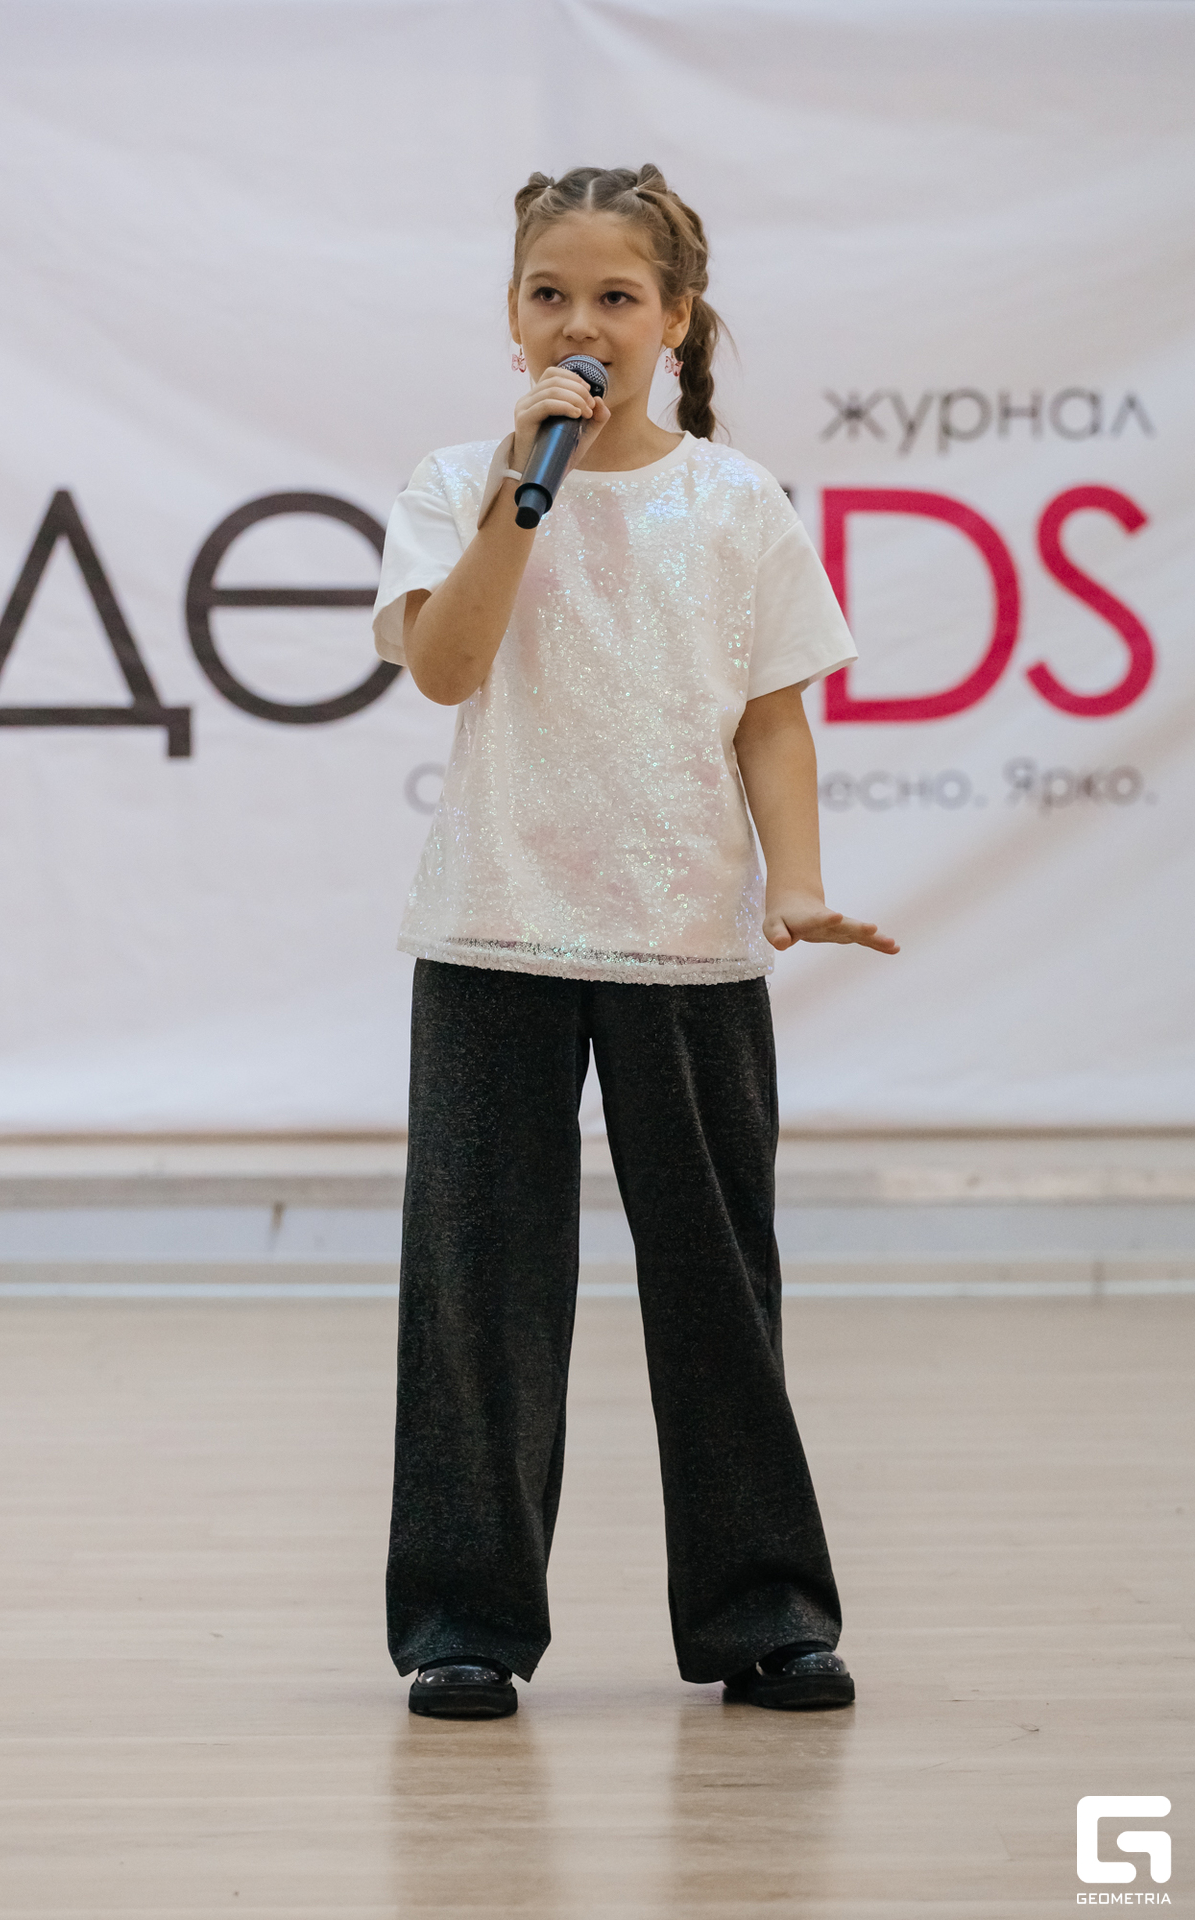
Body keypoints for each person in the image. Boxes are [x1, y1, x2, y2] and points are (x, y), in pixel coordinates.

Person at [372, 164, 897, 1723]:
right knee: (478, 1290)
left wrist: (795, 883)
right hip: (496, 934)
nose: (581, 322)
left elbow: (773, 718)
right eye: (551, 294)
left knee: (718, 1283)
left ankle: (765, 1615)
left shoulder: (736, 502)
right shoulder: (459, 480)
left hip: (684, 942)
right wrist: (517, 498)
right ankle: (465, 1623)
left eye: (616, 296)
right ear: (512, 314)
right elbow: (447, 668)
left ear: (676, 319)